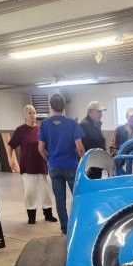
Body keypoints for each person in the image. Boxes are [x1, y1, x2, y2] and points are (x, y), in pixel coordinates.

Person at [38, 94, 85, 235]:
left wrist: (49, 160)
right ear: (64, 106)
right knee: (78, 197)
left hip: (54, 166)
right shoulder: (72, 123)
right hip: (71, 166)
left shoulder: (44, 124)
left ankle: (65, 229)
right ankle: (79, 225)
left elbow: (40, 148)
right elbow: (80, 148)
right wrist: (84, 163)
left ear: (50, 106)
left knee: (60, 200)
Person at [6, 105, 57, 225]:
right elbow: (10, 146)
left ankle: (48, 214)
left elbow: (48, 146)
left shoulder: (41, 129)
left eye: (34, 113)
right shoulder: (20, 130)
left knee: (45, 191)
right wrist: (10, 159)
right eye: (30, 113)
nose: (33, 115)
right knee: (30, 192)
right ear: (24, 115)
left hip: (41, 165)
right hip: (28, 166)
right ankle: (31, 216)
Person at [79, 100, 107, 179]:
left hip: (96, 163)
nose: (101, 114)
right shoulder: (84, 125)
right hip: (90, 166)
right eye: (98, 111)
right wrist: (85, 164)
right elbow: (81, 147)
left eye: (101, 112)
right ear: (89, 112)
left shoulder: (95, 124)